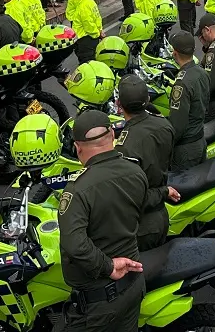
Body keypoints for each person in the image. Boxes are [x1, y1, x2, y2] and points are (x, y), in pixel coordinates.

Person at [59, 110, 148, 332]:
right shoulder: (136, 171)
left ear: (78, 148)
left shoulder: (77, 189)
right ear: (112, 136)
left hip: (99, 301)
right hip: (133, 285)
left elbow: (75, 245)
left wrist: (108, 266)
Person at [114, 75, 176, 252]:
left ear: (119, 104)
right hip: (161, 215)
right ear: (148, 99)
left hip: (142, 225)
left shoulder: (125, 147)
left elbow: (132, 197)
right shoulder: (164, 125)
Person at [167, 32, 208, 171]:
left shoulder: (181, 83)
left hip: (185, 149)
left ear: (175, 53)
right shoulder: (201, 72)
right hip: (200, 139)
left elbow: (178, 125)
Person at [68, 0, 104, 64]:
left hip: (85, 39)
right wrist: (100, 31)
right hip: (91, 37)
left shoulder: (84, 6)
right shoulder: (90, 2)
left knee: (86, 63)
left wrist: (96, 34)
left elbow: (88, 24)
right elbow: (97, 18)